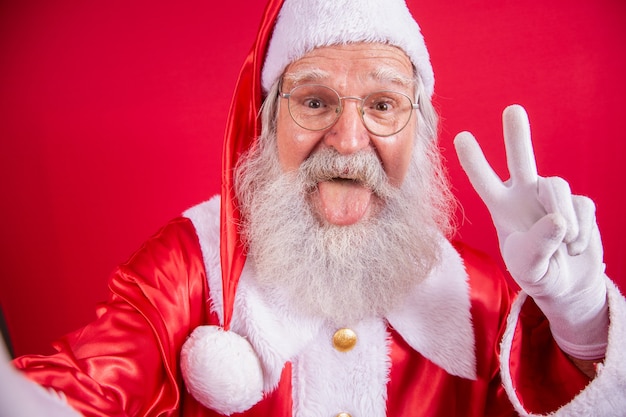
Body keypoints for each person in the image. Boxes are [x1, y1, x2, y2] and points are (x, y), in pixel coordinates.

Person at [1, 0, 625, 416]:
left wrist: (578, 318)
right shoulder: (193, 264)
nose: (350, 141)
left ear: (422, 130)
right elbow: (76, 389)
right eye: (316, 102)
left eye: (383, 105)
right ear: (268, 122)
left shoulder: (478, 294)